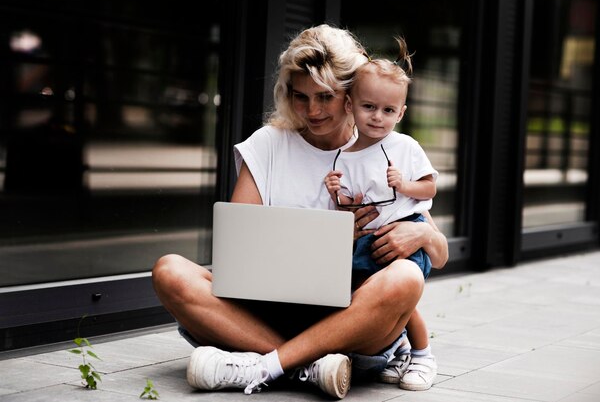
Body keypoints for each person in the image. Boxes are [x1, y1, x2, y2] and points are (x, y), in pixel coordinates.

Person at [151, 24, 448, 399]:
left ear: (350, 96)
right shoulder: (269, 145)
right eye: (300, 96)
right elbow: (239, 254)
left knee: (406, 277)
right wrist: (333, 236)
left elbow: (439, 256)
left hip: (352, 323)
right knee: (170, 271)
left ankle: (268, 363)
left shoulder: (385, 150)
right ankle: (307, 366)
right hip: (266, 313)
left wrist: (423, 234)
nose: (312, 110)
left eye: (324, 97)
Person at [324, 37, 438, 391]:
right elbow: (350, 206)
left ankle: (423, 355)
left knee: (400, 299)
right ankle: (396, 348)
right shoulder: (344, 154)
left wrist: (404, 185)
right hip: (368, 240)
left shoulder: (405, 147)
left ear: (401, 113)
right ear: (350, 105)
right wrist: (336, 192)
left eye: (389, 111)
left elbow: (429, 189)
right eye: (369, 107)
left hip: (405, 232)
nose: (378, 117)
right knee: (359, 293)